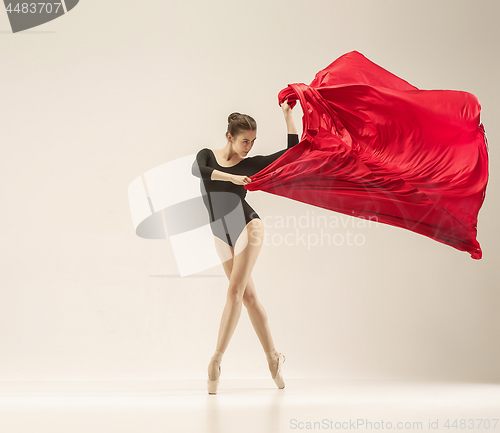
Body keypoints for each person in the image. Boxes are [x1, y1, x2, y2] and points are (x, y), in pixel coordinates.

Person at [191, 99, 299, 394]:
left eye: (252, 142)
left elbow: (292, 153)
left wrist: (288, 116)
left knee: (235, 292)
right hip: (219, 233)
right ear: (229, 137)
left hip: (247, 227)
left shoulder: (250, 163)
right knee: (249, 298)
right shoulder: (207, 155)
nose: (248, 147)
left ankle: (216, 360)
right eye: (244, 141)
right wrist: (233, 177)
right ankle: (273, 358)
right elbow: (198, 171)